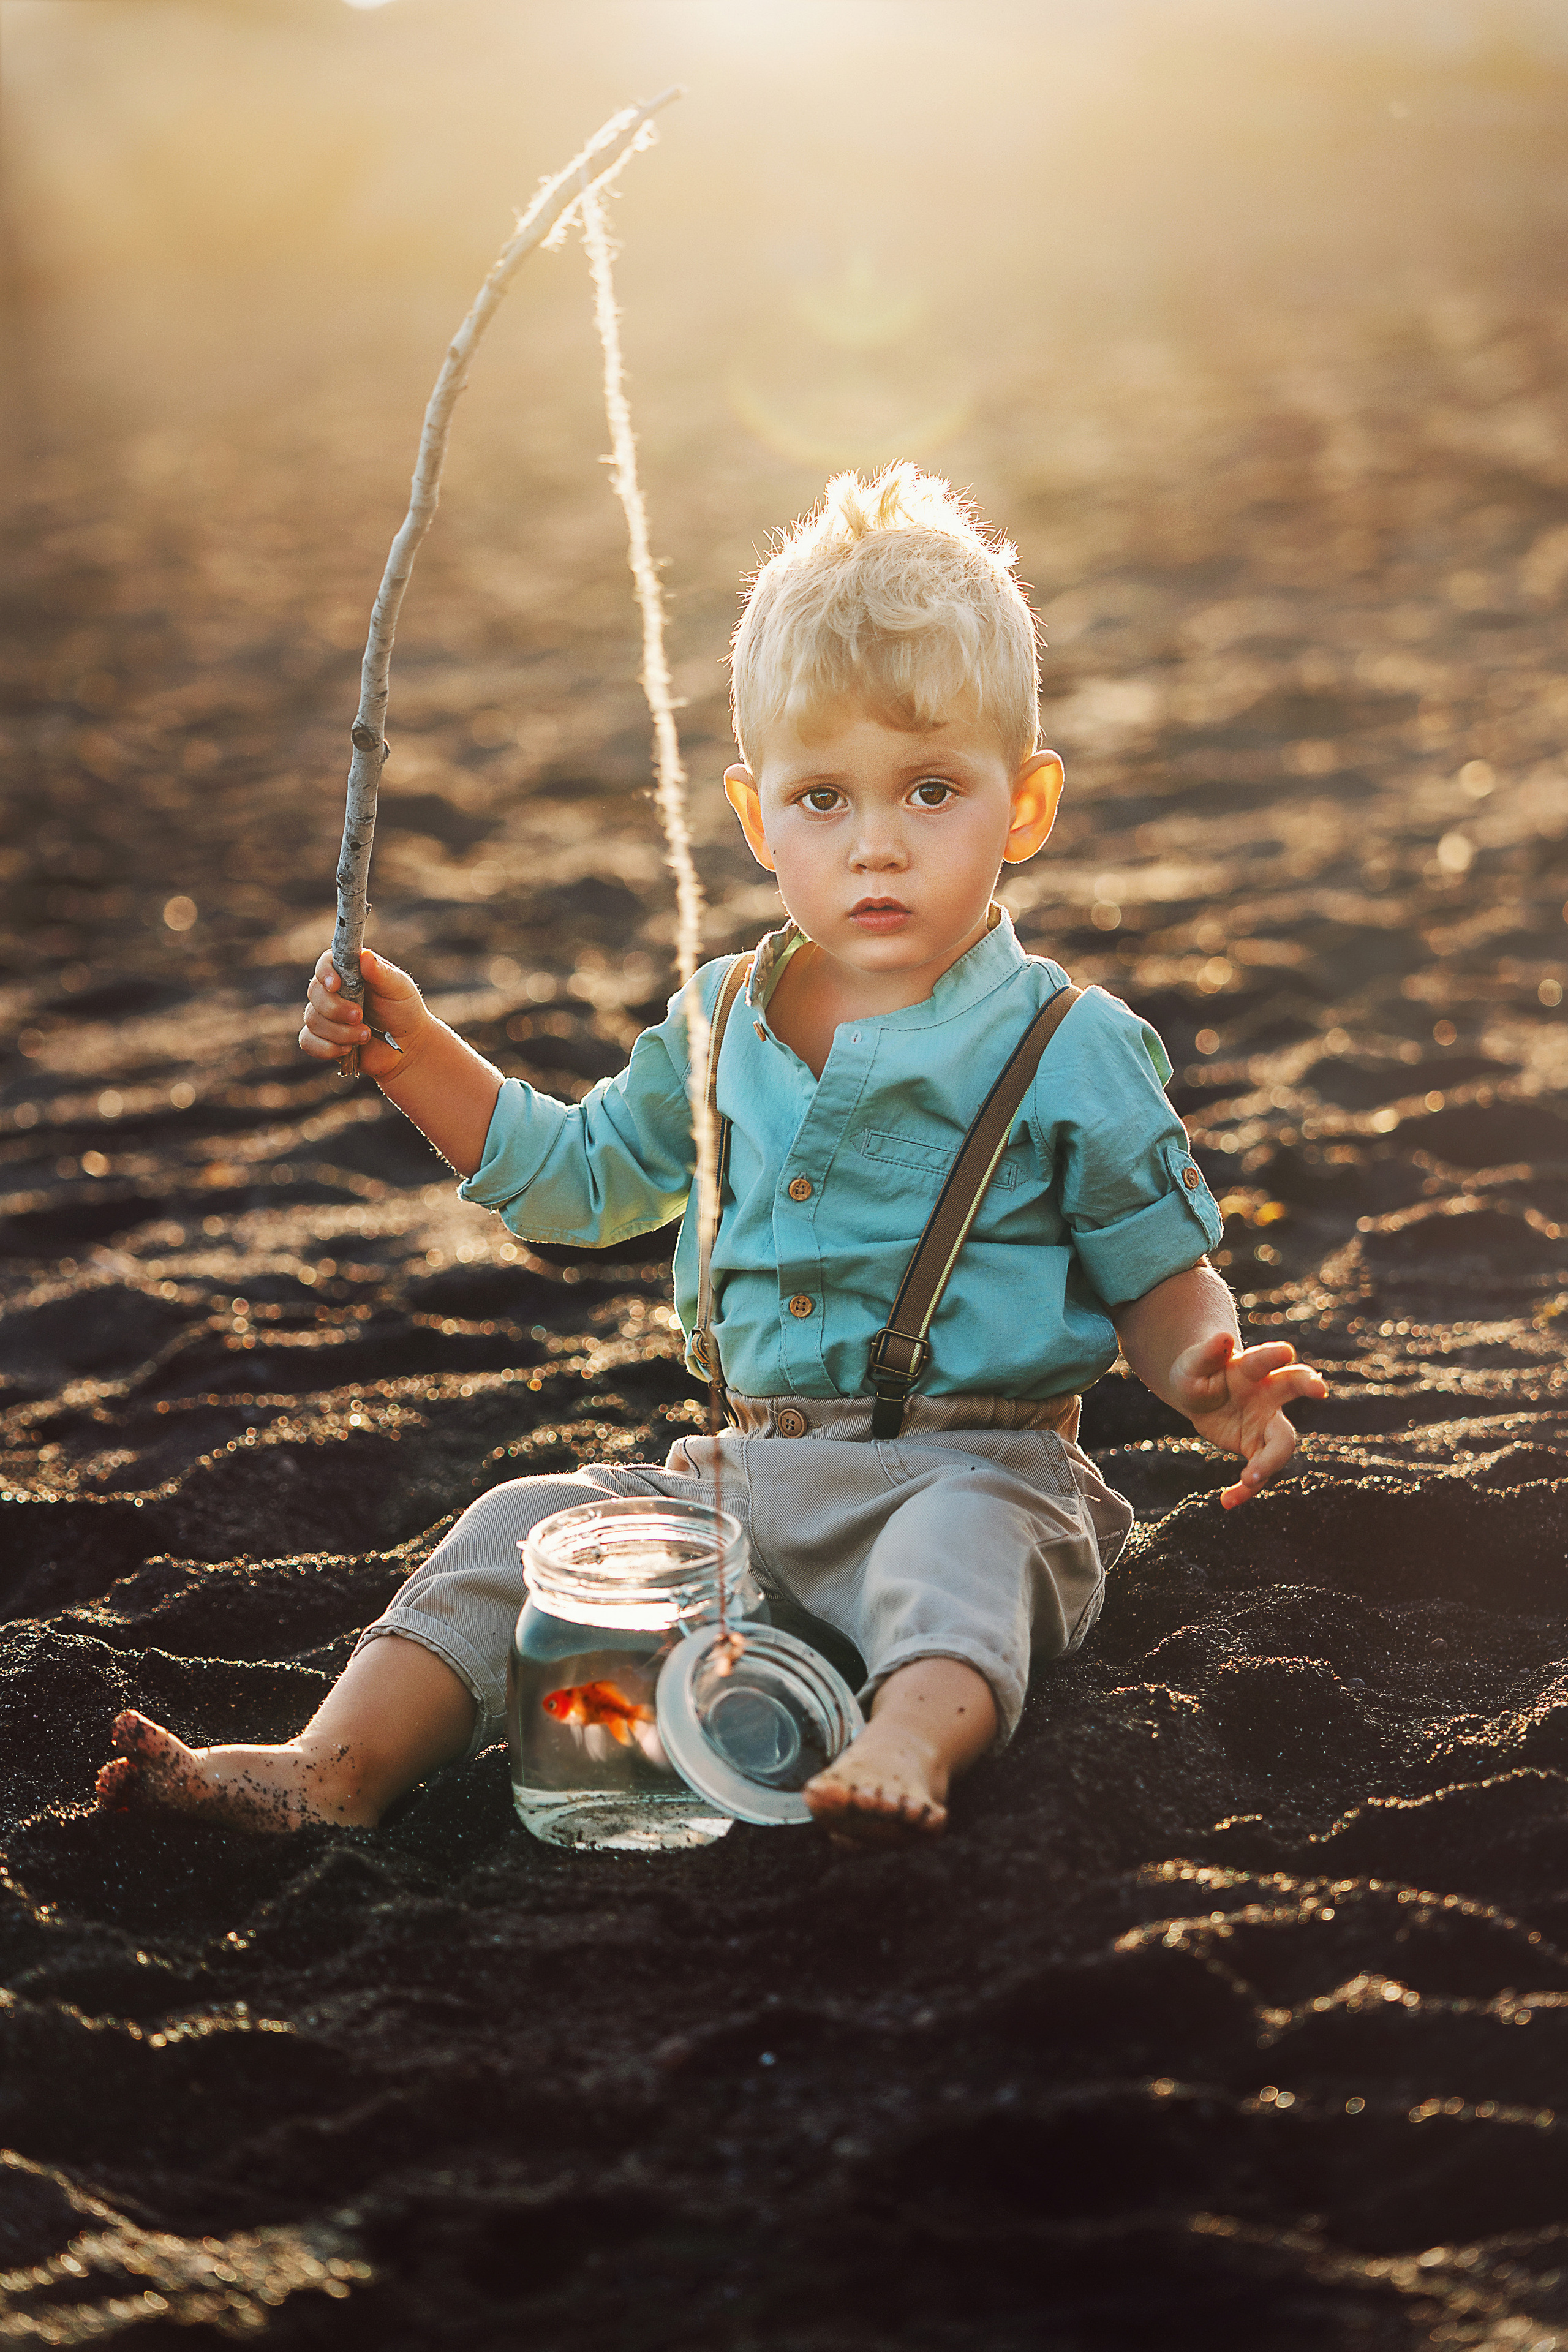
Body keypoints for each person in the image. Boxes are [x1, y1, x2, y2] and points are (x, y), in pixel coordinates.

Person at [96, 465, 1324, 1847]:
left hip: (981, 1470)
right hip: (746, 1476)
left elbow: (1159, 1271)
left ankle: (905, 1746)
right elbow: (575, 1181)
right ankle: (332, 1767)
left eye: (929, 791)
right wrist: (415, 1057)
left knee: (954, 1562)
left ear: (1022, 807)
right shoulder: (720, 1020)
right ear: (753, 819)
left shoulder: (1068, 1040)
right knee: (523, 1524)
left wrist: (1200, 1370)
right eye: (819, 799)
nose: (872, 843)